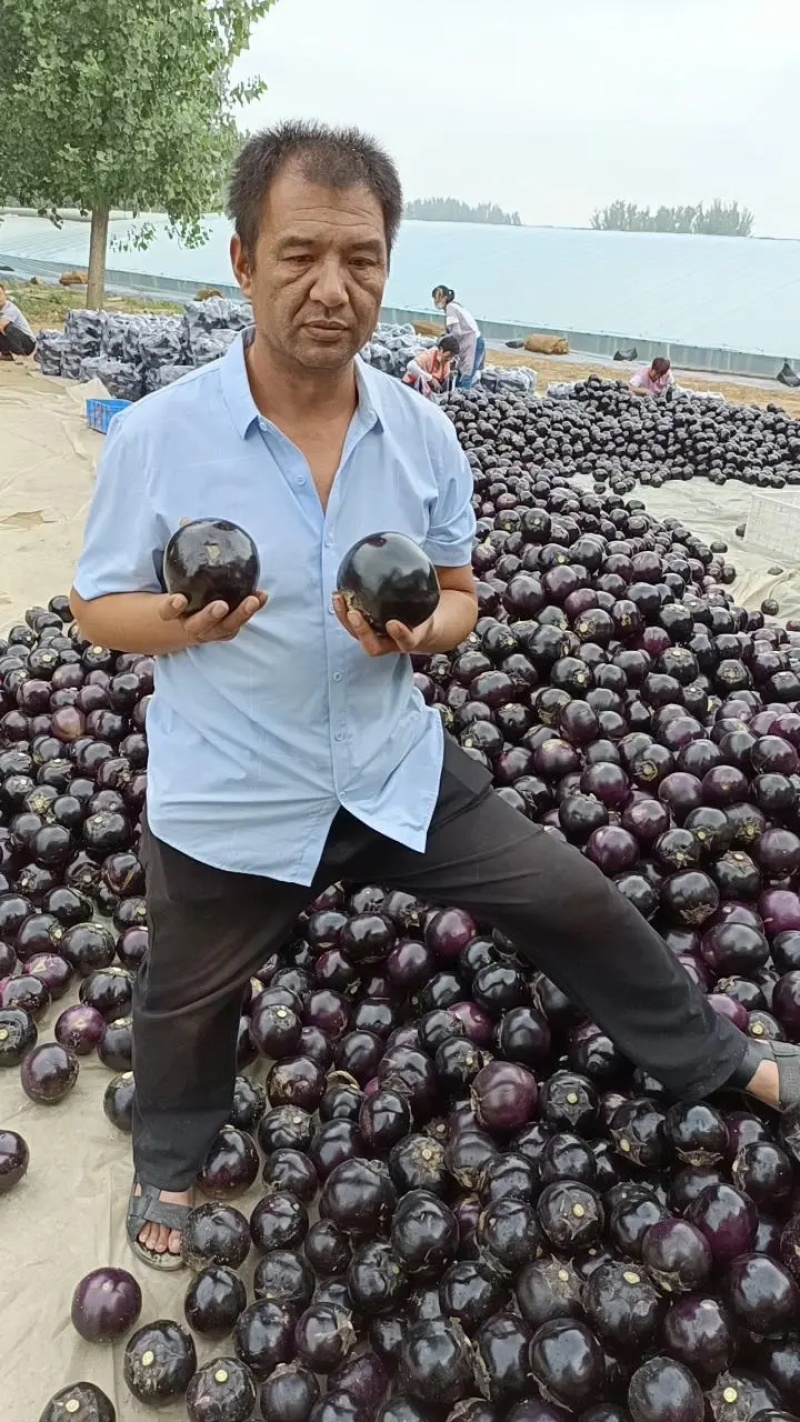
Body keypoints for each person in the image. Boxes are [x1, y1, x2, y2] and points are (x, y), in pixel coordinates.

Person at [70, 119, 799, 1271]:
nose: (331, 288)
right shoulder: (160, 438)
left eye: (360, 260)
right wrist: (183, 621)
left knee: (572, 897)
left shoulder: (420, 434)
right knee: (180, 997)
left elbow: (461, 594)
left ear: (387, 270)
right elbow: (95, 608)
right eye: (300, 255)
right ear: (241, 261)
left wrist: (420, 630)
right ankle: (169, 1159)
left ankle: (717, 1055)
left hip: (387, 766)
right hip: (232, 789)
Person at [432, 284, 485, 388]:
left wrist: (442, 340)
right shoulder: (455, 306)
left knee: (466, 376)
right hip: (471, 342)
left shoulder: (450, 308)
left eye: (437, 298)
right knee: (462, 374)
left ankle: (463, 401)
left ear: (445, 297)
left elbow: (456, 333)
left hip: (472, 343)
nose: (435, 302)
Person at [0, 284, 36, 361]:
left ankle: (21, 355)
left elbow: (1, 326)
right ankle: (6, 354)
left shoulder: (10, 309)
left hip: (28, 344)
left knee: (7, 328)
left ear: (5, 295)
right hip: (14, 340)